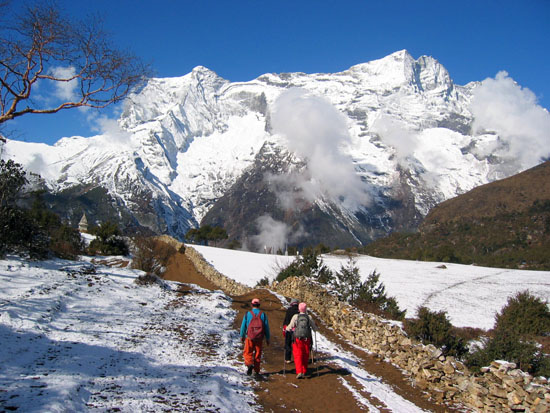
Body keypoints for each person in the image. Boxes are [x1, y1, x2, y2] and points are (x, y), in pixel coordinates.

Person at [285, 302, 317, 379]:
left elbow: (290, 326)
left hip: (297, 338)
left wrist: (286, 328)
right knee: (305, 354)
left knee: (297, 354)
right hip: (307, 338)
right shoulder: (309, 317)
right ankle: (304, 370)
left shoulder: (296, 316)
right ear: (305, 309)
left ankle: (299, 371)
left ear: (299, 309)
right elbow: (314, 328)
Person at [240, 298, 270, 377]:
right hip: (259, 337)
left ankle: (249, 364)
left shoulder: (248, 314)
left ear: (252, 305)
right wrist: (267, 338)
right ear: (259, 305)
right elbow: (266, 327)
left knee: (247, 352)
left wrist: (242, 336)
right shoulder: (263, 314)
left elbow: (243, 326)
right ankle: (256, 370)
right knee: (258, 354)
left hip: (249, 337)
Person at [283, 298, 300, 364]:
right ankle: (298, 358)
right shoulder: (299, 311)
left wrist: (285, 327)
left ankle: (288, 358)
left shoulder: (289, 310)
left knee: (288, 344)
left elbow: (286, 320)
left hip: (289, 330)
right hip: (298, 331)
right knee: (297, 345)